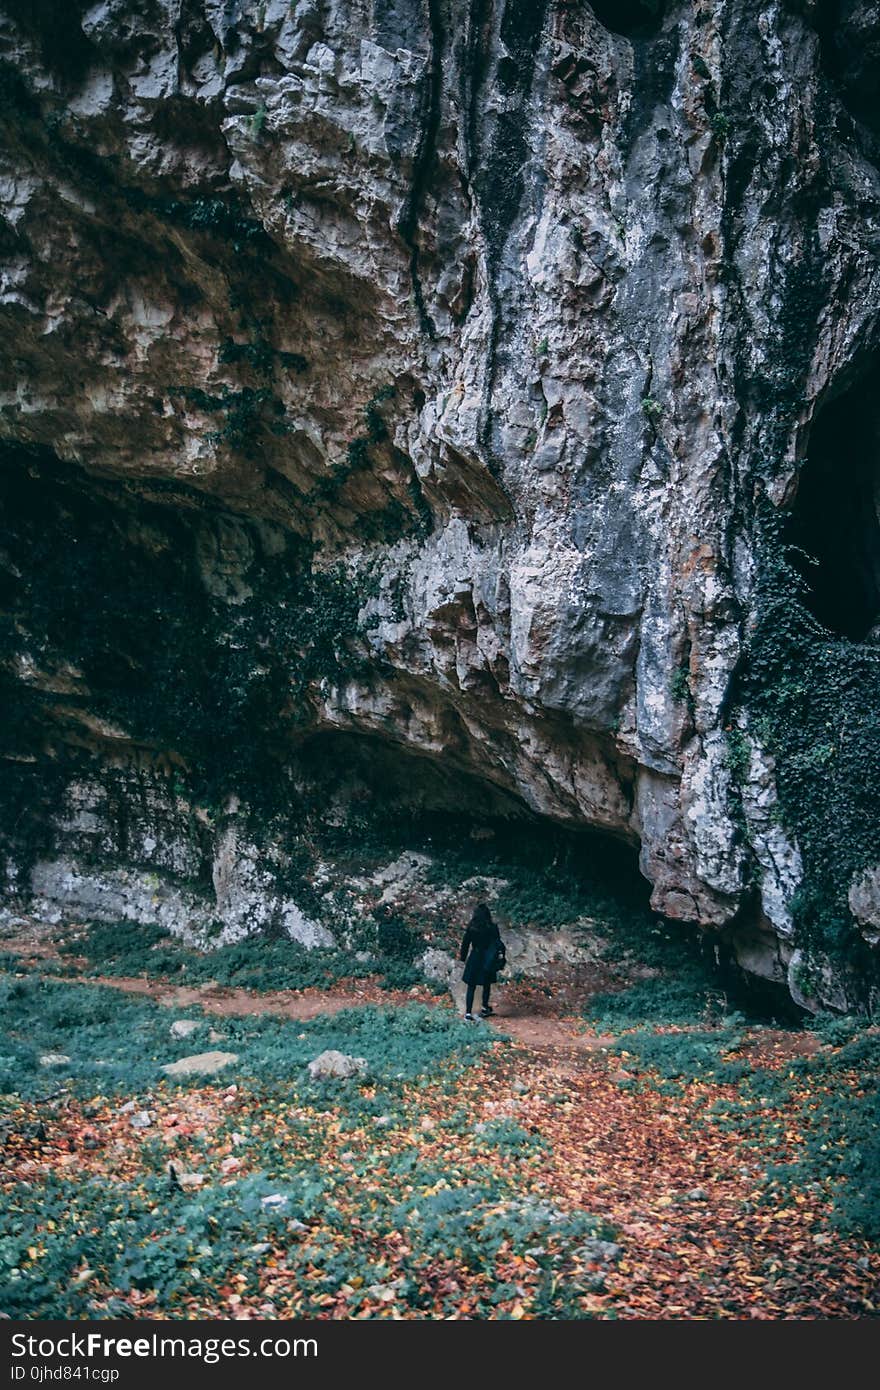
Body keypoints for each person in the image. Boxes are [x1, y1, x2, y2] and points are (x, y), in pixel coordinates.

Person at [459, 902, 505, 1021]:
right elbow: (497, 942)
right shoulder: (492, 927)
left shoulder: (472, 927)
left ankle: (468, 1012)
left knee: (471, 985)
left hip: (475, 956)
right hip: (488, 957)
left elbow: (465, 944)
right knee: (486, 983)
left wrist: (463, 958)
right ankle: (484, 1007)